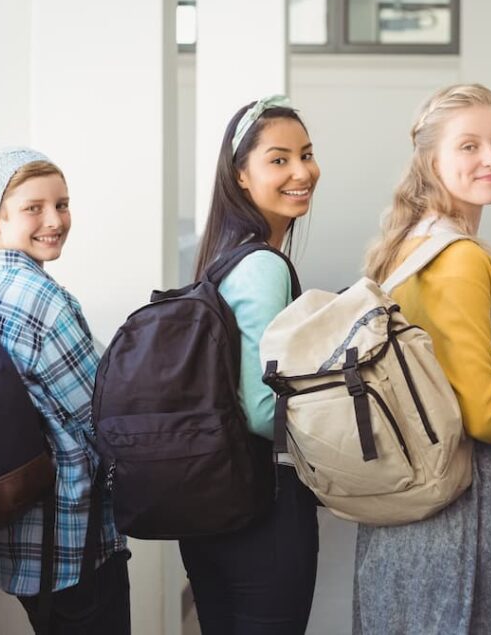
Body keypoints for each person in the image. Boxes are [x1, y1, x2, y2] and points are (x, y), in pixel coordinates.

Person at [355, 83, 491, 634]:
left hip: (403, 503)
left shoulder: (405, 246)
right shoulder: (461, 258)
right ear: (431, 161)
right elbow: (485, 417)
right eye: (469, 146)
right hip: (461, 508)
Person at [0, 148, 130, 634]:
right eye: (34, 207)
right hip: (75, 542)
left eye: (62, 203)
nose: (54, 219)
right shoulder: (45, 302)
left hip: (12, 537)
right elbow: (102, 415)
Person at [178, 96, 320, 634]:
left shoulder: (220, 255)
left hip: (209, 505)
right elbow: (263, 412)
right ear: (241, 175)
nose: (301, 172)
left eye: (306, 155)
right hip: (262, 510)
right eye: (279, 160)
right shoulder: (263, 266)